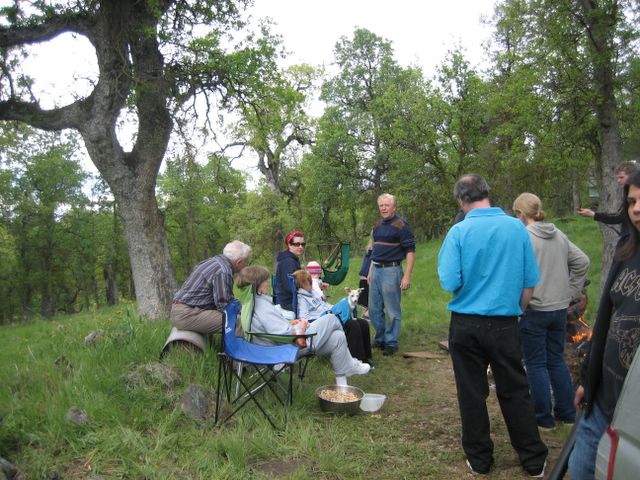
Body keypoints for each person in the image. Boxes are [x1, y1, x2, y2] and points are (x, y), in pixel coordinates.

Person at [437, 174, 548, 477]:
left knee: (471, 393)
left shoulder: (458, 232)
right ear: (487, 192)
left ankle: (480, 459)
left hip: (466, 324)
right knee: (515, 390)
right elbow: (529, 282)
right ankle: (533, 459)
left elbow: (450, 281)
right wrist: (518, 312)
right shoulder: (516, 228)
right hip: (505, 322)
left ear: (461, 200)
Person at [568, 170, 640, 479]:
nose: (636, 209)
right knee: (580, 470)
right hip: (602, 399)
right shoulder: (628, 251)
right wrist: (588, 378)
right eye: (632, 202)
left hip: (634, 413)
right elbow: (605, 321)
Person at [513, 193, 590, 429]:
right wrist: (570, 292)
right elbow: (583, 261)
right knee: (555, 359)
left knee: (535, 363)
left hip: (535, 308)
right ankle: (567, 415)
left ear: (520, 214)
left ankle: (543, 419)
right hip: (559, 309)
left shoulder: (524, 237)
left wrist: (518, 305)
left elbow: (516, 273)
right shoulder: (558, 234)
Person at [236, 265, 371, 386]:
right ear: (258, 285)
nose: (267, 283)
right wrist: (301, 326)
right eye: (265, 281)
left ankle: (342, 385)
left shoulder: (253, 302)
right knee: (331, 318)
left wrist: (292, 323)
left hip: (281, 344)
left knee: (338, 337)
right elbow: (283, 333)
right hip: (288, 347)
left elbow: (274, 328)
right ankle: (350, 363)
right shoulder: (262, 307)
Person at [368, 193, 416, 356]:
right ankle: (380, 338)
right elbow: (374, 249)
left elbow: (410, 252)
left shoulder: (402, 226)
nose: (384, 208)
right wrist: (370, 270)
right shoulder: (377, 225)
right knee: (374, 309)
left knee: (392, 310)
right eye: (381, 205)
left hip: (391, 271)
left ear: (394, 207)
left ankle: (391, 342)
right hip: (376, 270)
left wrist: (407, 275)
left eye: (387, 205)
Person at [170, 240, 252, 334]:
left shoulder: (213, 261)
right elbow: (224, 305)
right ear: (239, 262)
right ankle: (240, 344)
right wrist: (245, 311)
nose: (245, 265)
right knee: (237, 322)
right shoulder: (223, 271)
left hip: (182, 310)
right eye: (245, 262)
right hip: (187, 314)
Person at [293, 269, 373, 365]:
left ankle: (366, 357)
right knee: (352, 324)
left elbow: (324, 304)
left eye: (310, 281)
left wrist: (336, 307)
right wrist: (322, 318)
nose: (311, 284)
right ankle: (356, 360)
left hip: (331, 313)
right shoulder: (302, 298)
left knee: (363, 323)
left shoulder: (313, 292)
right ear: (302, 284)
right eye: (308, 282)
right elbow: (304, 318)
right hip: (323, 321)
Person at [576, 161, 638, 232]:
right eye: (618, 178)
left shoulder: (634, 195)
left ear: (632, 176)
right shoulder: (628, 194)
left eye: (621, 177)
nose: (618, 180)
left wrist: (593, 214)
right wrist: (592, 214)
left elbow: (618, 217)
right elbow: (619, 216)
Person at [275, 230, 305, 312]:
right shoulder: (288, 262)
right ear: (289, 245)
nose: (301, 247)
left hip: (295, 299)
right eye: (297, 244)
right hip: (290, 303)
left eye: (303, 244)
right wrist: (308, 286)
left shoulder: (292, 259)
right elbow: (290, 287)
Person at [357, 241, 373, 318]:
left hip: (363, 276)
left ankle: (363, 317)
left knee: (365, 300)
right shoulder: (375, 249)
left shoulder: (369, 249)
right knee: (369, 299)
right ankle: (366, 316)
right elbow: (372, 262)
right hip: (367, 277)